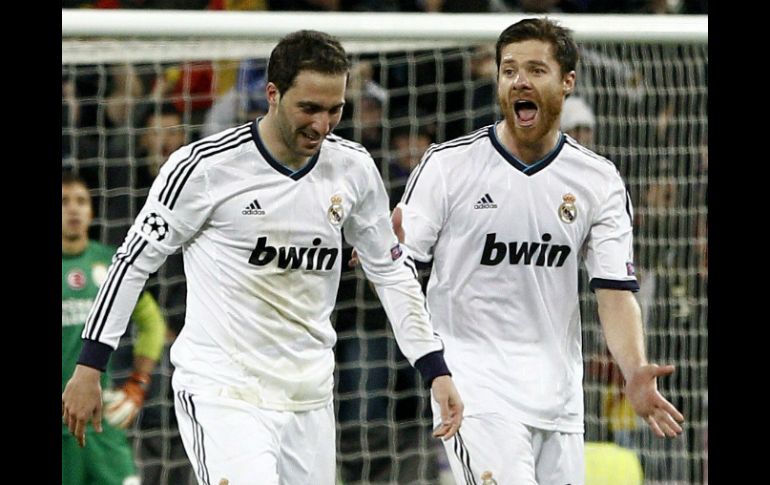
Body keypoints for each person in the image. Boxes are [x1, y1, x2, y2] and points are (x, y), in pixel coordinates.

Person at [62, 29, 464, 485]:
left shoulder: (352, 168)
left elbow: (391, 272)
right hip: (223, 391)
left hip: (308, 397)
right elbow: (132, 262)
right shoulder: (204, 168)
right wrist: (91, 364)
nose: (322, 125)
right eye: (308, 109)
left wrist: (434, 367)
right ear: (272, 94)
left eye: (335, 110)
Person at [392, 18, 683, 484]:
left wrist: (633, 369)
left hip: (559, 398)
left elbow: (613, 289)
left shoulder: (597, 180)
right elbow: (398, 268)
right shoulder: (449, 167)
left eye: (535, 69)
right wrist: (432, 363)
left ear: (567, 81)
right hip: (475, 388)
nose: (519, 81)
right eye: (508, 70)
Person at [62, 172, 166, 485]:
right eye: (64, 202)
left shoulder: (111, 264)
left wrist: (137, 384)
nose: (74, 209)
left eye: (81, 201)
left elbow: (153, 324)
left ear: (92, 211)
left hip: (99, 423)